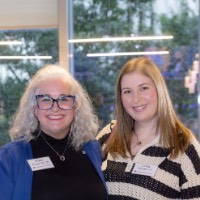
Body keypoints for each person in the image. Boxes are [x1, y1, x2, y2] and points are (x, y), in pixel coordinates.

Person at [96, 57, 200, 199]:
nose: (136, 99)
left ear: (159, 90)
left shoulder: (184, 144)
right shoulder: (108, 135)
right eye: (127, 91)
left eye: (143, 88)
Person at [0, 64, 107, 200]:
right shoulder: (9, 158)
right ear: (34, 107)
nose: (55, 108)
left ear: (75, 106)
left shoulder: (92, 148)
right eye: (45, 99)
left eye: (64, 99)